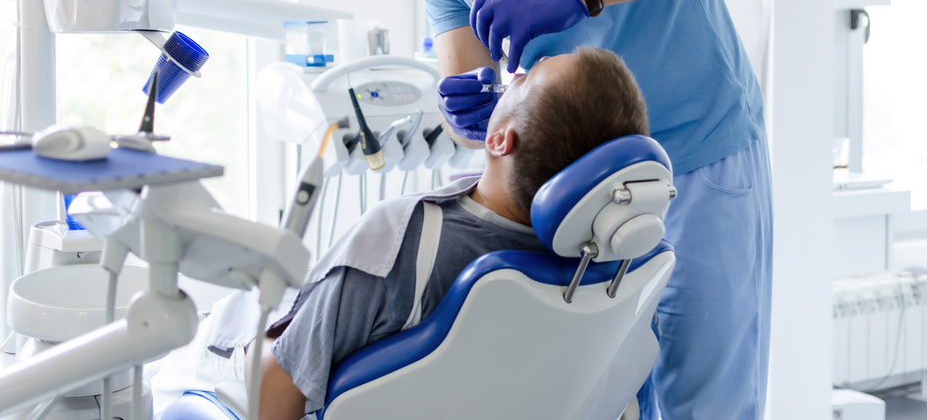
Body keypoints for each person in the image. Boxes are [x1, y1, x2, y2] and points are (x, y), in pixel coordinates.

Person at [315, 0, 773, 420]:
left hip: (697, 161)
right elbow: (467, 83)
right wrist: (469, 114)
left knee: (703, 400)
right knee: (604, 401)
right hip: (571, 201)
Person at [156, 48, 649, 419]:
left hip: (234, 368)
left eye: (526, 79)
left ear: (500, 139)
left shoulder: (397, 242)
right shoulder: (607, 270)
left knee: (174, 350)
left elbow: (270, 399)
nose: (513, 73)